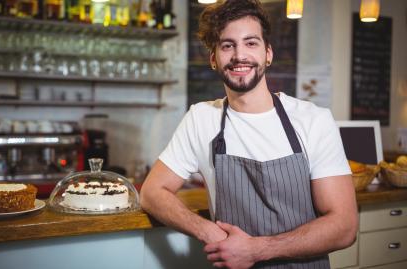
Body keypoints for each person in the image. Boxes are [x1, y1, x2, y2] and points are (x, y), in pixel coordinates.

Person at [140, 0, 358, 268]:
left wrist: (255, 250)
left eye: (251, 43)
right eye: (227, 45)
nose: (239, 55)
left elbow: (344, 226)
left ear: (268, 53)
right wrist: (211, 233)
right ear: (213, 59)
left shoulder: (314, 120)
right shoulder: (201, 119)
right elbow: (151, 193)